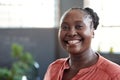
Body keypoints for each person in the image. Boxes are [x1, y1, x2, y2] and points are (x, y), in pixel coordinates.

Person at [44, 7, 120, 80]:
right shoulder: (54, 68)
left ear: (92, 32)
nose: (71, 33)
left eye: (79, 26)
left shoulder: (114, 74)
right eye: (65, 27)